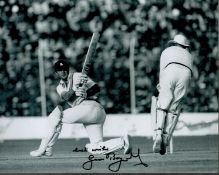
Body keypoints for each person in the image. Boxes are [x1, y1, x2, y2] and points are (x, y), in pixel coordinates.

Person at [30, 59, 132, 157]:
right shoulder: (59, 87)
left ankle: (45, 148)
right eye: (60, 70)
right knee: (95, 148)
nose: (63, 71)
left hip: (91, 106)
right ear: (56, 73)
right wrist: (75, 89)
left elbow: (96, 88)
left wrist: (87, 92)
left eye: (65, 69)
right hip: (90, 114)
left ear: (68, 69)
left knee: (56, 115)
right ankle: (123, 142)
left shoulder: (77, 75)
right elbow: (66, 96)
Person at [152, 34, 193, 155]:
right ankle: (166, 137)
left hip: (170, 71)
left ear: (174, 43)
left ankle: (159, 133)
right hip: (185, 75)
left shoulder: (167, 50)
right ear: (185, 45)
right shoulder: (189, 55)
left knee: (163, 104)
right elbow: (190, 74)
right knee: (173, 108)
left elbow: (162, 69)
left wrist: (160, 84)